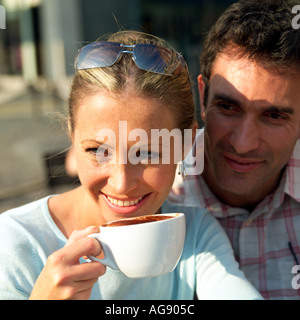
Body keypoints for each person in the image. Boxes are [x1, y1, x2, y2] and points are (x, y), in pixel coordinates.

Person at [0, 31, 262, 300]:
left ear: (185, 144)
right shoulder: (15, 242)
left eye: (147, 153)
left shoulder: (195, 233)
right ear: (72, 135)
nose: (121, 183)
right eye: (97, 150)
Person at [169, 0, 300, 300]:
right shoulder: (151, 200)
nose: (242, 143)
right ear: (202, 95)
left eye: (274, 116)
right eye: (227, 107)